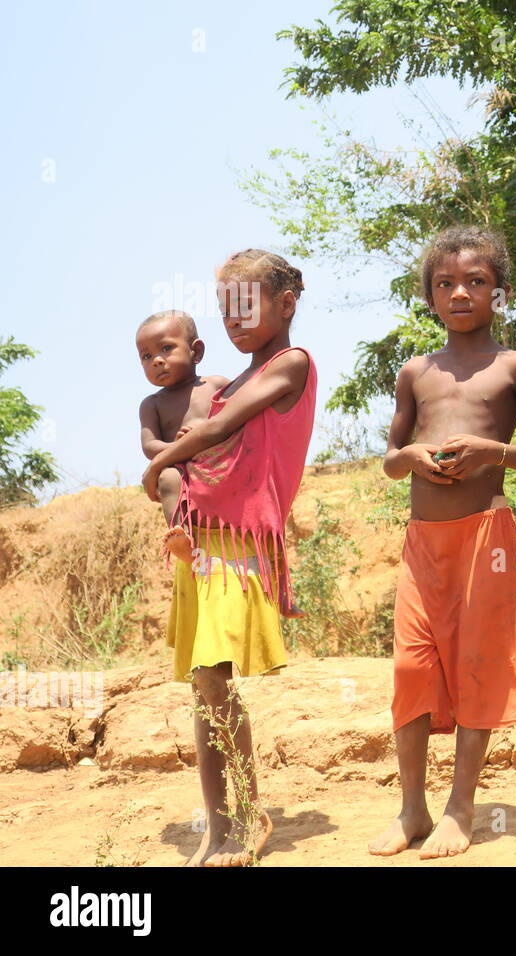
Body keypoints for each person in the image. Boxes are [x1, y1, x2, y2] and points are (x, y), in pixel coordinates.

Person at [367, 226, 516, 860]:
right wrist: (414, 456)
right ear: (429, 297)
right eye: (445, 283)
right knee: (411, 668)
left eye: (476, 282)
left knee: (477, 665)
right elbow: (390, 460)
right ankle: (412, 807)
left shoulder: (515, 366)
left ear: (499, 293)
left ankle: (461, 807)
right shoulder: (415, 372)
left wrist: (492, 451)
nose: (460, 292)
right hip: (424, 542)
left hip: (485, 537)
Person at [141, 249, 317, 865]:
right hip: (201, 540)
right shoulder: (231, 379)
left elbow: (212, 435)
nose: (234, 319)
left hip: (238, 544)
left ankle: (241, 820)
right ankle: (220, 826)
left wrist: (156, 465)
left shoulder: (289, 365)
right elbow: (192, 441)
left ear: (286, 304)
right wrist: (167, 474)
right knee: (204, 684)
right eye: (225, 310)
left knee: (214, 678)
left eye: (247, 304)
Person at [135, 310, 228, 555]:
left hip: (222, 463)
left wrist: (205, 436)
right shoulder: (152, 404)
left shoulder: (217, 385)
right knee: (167, 478)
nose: (156, 360)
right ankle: (181, 534)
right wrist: (177, 447)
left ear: (195, 351)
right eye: (146, 356)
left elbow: (238, 422)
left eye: (166, 349)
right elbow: (149, 445)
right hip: (182, 470)